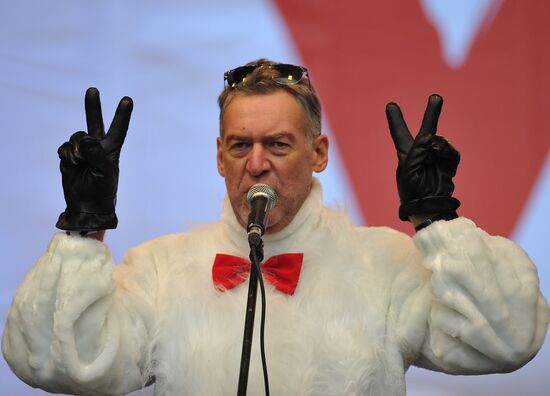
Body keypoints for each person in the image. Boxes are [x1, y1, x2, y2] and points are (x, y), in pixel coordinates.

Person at [2, 59, 549, 396]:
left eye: (278, 145)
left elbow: (506, 341)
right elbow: (55, 364)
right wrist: (83, 228)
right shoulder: (162, 268)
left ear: (318, 153)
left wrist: (436, 218)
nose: (256, 163)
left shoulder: (383, 263)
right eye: (241, 145)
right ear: (220, 157)